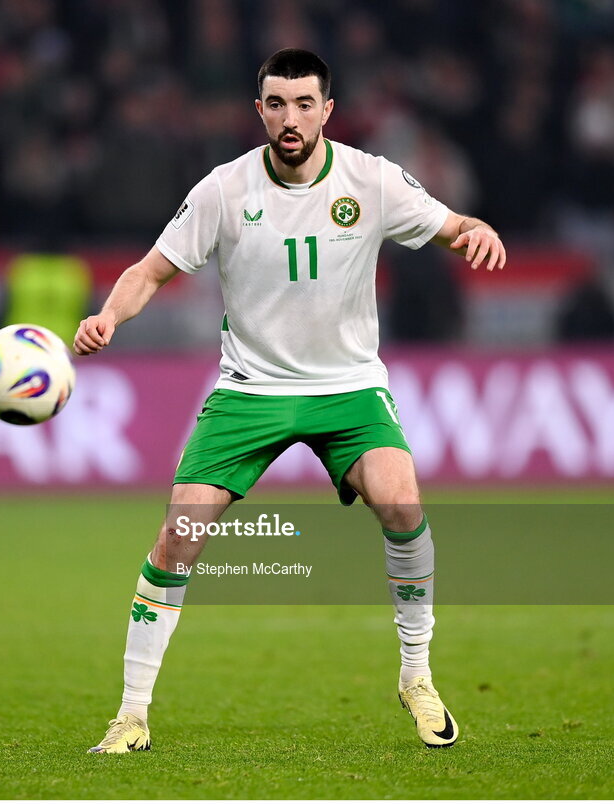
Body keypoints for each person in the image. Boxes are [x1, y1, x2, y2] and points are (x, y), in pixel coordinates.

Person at [73, 48, 506, 754]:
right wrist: (109, 318)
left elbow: (451, 225)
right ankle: (131, 715)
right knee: (178, 537)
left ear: (327, 110)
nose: (291, 117)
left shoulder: (370, 179)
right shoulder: (223, 188)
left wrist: (475, 230)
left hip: (348, 387)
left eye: (305, 104)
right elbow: (148, 270)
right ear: (260, 111)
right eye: (277, 104)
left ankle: (417, 675)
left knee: (402, 503)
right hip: (252, 390)